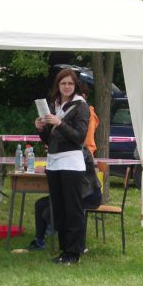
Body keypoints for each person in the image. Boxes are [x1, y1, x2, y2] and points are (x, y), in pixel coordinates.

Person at [36, 68, 90, 264]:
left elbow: (79, 137)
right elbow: (49, 140)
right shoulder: (56, 106)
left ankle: (74, 253)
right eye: (63, 83)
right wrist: (41, 129)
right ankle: (64, 251)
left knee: (72, 210)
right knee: (59, 209)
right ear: (57, 86)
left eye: (70, 83)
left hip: (71, 163)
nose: (66, 86)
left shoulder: (81, 106)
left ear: (75, 86)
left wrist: (59, 123)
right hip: (54, 162)